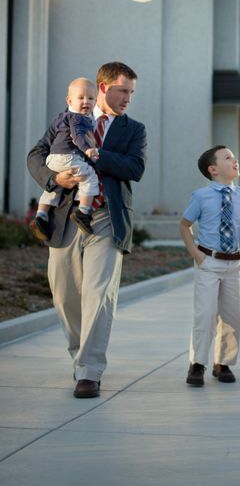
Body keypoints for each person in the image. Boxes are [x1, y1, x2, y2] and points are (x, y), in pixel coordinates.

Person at [27, 62, 146, 399]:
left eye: (132, 93)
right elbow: (36, 154)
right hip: (65, 216)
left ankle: (90, 371)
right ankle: (80, 357)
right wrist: (55, 179)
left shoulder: (133, 129)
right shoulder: (68, 116)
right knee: (64, 294)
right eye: (123, 90)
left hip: (107, 216)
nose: (128, 99)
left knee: (99, 293)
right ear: (103, 88)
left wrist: (93, 157)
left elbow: (134, 167)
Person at [180, 146, 240, 387]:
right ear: (213, 170)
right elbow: (185, 225)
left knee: (233, 316)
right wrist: (196, 254)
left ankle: (222, 363)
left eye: (234, 157)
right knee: (205, 315)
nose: (234, 160)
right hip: (208, 262)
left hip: (234, 264)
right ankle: (197, 363)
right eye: (227, 158)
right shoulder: (201, 196)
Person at [29, 77, 100, 243]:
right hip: (69, 156)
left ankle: (41, 215)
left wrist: (54, 178)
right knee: (89, 176)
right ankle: (83, 211)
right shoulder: (79, 118)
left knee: (55, 186)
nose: (86, 102)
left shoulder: (62, 116)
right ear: (69, 100)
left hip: (54, 159)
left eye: (90, 98)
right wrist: (88, 149)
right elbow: (78, 136)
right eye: (81, 98)